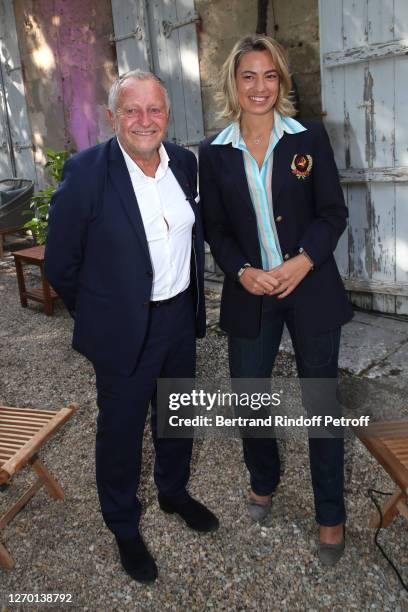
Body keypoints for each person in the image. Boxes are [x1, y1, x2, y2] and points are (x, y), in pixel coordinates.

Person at [45, 69, 218, 584]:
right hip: (124, 327)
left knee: (177, 413)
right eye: (132, 110)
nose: (145, 120)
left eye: (155, 110)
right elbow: (61, 264)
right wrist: (103, 315)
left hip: (178, 317)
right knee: (120, 431)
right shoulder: (87, 172)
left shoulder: (184, 164)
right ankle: (122, 523)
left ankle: (173, 491)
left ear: (167, 114)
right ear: (113, 117)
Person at [199, 35, 353, 566]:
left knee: (321, 405)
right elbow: (214, 228)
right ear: (233, 84)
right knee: (249, 394)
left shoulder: (309, 137)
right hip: (252, 294)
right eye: (248, 76)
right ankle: (263, 480)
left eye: (269, 76)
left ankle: (329, 515)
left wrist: (303, 261)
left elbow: (333, 212)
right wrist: (240, 271)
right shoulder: (214, 152)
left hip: (309, 288)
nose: (259, 87)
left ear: (281, 82)